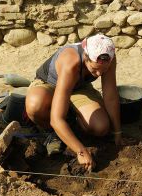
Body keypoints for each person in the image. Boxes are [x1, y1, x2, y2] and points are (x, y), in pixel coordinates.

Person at [25, 34, 123, 172]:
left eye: (103, 70)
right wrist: (80, 151)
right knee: (36, 106)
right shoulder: (71, 61)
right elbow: (56, 119)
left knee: (101, 127)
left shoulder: (108, 58)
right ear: (86, 57)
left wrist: (117, 131)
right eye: (94, 69)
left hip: (79, 87)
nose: (99, 74)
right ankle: (52, 133)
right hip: (49, 85)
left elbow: (110, 96)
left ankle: (71, 121)